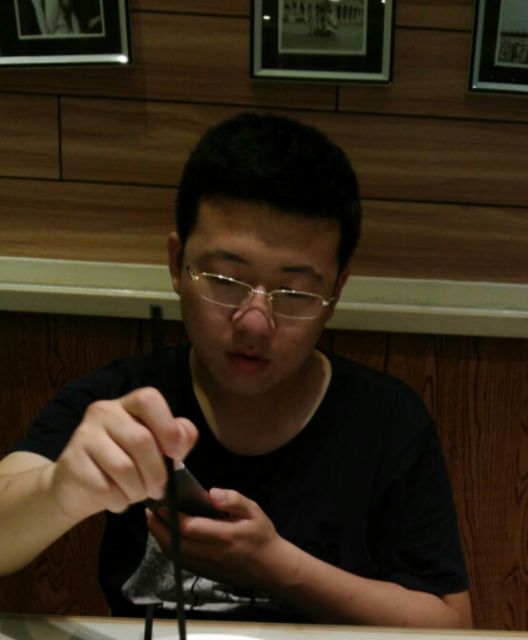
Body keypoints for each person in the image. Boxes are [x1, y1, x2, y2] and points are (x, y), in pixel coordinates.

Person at [0, 112, 472, 626]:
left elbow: (450, 624)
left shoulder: (387, 421)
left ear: (336, 292)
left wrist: (277, 566)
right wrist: (60, 490)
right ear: (177, 263)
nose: (254, 321)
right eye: (225, 280)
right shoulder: (125, 398)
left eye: (295, 292)